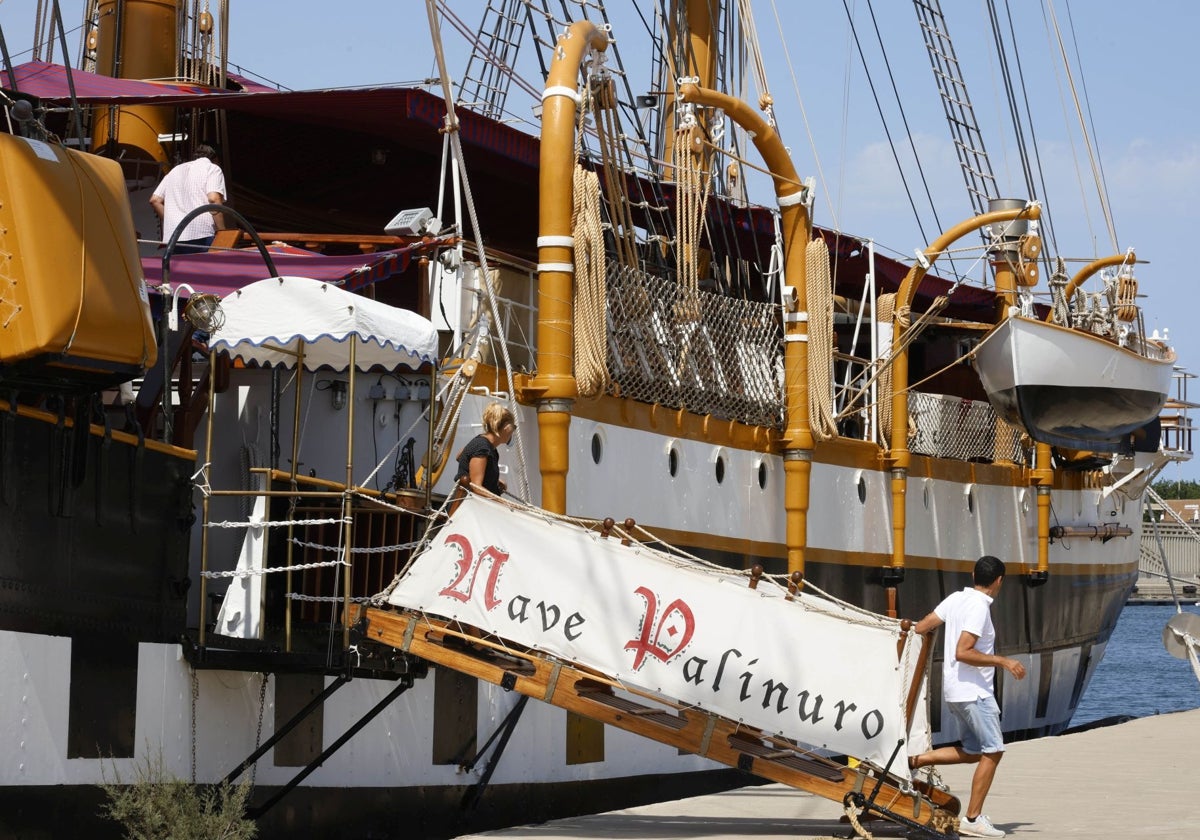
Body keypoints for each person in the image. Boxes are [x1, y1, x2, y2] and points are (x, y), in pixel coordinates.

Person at [908, 555, 1027, 838]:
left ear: (973, 574)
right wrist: (1004, 661)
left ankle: (914, 762)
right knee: (994, 750)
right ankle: (972, 819)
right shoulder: (978, 608)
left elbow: (922, 626)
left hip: (955, 691)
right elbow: (964, 651)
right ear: (999, 581)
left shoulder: (956, 599)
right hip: (974, 694)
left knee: (974, 751)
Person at [149, 144, 227, 251]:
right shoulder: (212, 168)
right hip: (202, 235)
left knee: (178, 268)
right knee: (206, 267)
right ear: (216, 159)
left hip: (175, 236)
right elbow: (213, 199)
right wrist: (223, 233)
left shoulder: (174, 170)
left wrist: (172, 221)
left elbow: (155, 200)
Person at [454, 402, 516, 497]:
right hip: (471, 507)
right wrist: (505, 504)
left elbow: (461, 456)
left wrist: (491, 478)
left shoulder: (485, 444)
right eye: (514, 427)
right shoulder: (483, 447)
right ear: (507, 428)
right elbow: (476, 487)